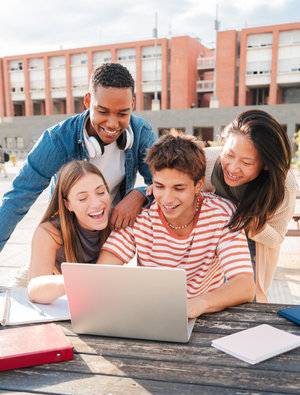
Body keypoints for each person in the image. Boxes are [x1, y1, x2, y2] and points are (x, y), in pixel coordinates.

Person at [0, 62, 156, 252]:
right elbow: (18, 197)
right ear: (88, 101)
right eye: (103, 111)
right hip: (67, 239)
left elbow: (163, 185)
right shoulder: (57, 140)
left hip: (109, 240)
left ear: (132, 104)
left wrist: (139, 194)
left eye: (123, 113)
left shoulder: (142, 134)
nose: (113, 123)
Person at [98, 131, 255, 319]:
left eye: (178, 188)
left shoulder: (222, 213)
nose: (167, 199)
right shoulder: (139, 214)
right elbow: (102, 273)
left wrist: (198, 304)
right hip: (151, 315)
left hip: (206, 316)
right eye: (159, 186)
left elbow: (245, 285)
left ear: (198, 185)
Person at [202, 109, 297, 302]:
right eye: (229, 154)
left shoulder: (283, 185)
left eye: (246, 162)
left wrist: (254, 223)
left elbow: (277, 238)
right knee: (207, 298)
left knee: (247, 300)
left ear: (265, 164)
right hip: (210, 235)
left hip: (251, 243)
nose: (233, 168)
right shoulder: (206, 161)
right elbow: (167, 182)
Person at [28, 160, 111, 304]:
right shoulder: (49, 233)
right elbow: (34, 290)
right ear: (68, 204)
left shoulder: (117, 220)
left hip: (80, 290)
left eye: (101, 192)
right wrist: (78, 279)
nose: (96, 203)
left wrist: (140, 193)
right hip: (45, 277)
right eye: (82, 198)